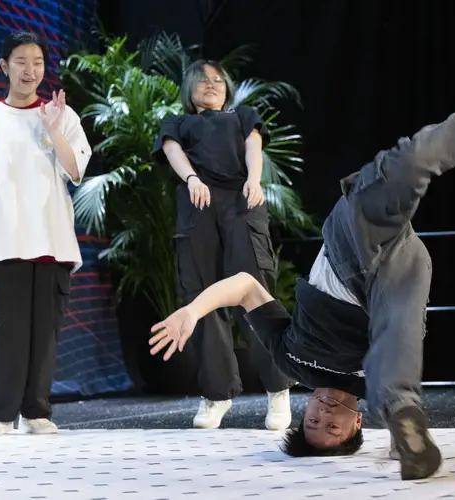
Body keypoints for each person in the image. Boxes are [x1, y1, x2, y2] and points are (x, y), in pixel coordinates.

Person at [149, 78, 455, 480]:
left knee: (410, 161)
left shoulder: (291, 360)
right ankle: (404, 422)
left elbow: (245, 287)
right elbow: (397, 342)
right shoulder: (367, 392)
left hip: (348, 248)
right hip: (394, 281)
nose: (323, 414)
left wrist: (193, 309)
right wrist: (396, 439)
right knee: (396, 338)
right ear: (356, 425)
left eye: (312, 420)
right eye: (332, 429)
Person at [0, 30, 91, 436]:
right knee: (5, 332)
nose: (30, 70)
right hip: (6, 241)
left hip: (52, 239)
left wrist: (53, 129)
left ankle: (37, 411)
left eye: (37, 62)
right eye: (20, 61)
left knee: (44, 335)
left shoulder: (62, 115)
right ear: (4, 66)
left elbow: (75, 170)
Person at [152, 60, 294, 431]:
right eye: (203, 81)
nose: (211, 85)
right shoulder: (178, 122)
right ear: (190, 90)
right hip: (198, 206)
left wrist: (254, 179)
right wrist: (192, 178)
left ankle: (278, 390)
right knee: (199, 294)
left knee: (255, 289)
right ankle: (217, 394)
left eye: (218, 80)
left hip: (241, 202)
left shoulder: (242, 115)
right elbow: (171, 149)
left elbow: (254, 145)